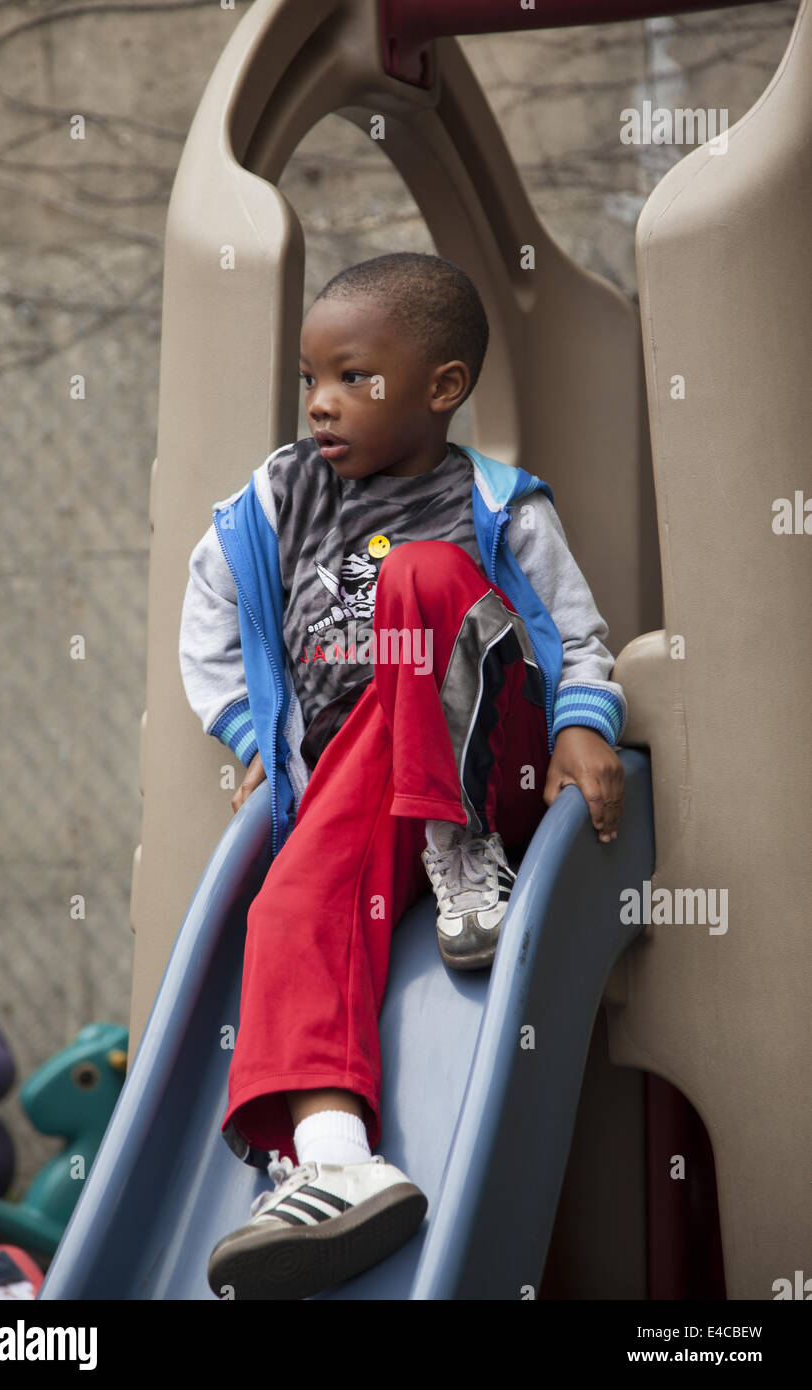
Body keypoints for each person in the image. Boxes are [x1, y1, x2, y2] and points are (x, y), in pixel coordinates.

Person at [178, 252, 627, 1300]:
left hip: (486, 759)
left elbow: (575, 631)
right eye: (309, 380)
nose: (322, 403)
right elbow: (209, 630)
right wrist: (254, 739)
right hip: (359, 773)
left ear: (440, 388)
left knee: (419, 575)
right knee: (286, 899)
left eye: (353, 377)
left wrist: (579, 725)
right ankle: (335, 1156)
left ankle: (460, 850)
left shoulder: (489, 500)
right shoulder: (274, 501)